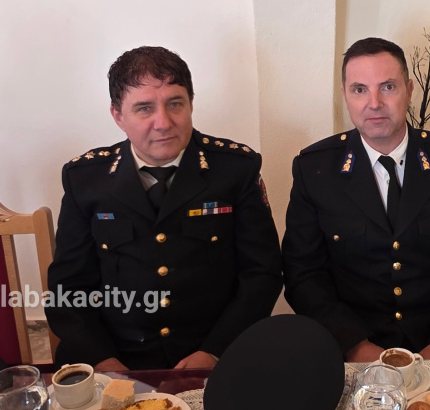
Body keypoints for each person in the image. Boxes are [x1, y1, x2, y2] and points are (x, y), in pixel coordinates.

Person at [46, 46, 282, 371]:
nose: (163, 123)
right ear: (118, 116)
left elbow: (262, 274)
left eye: (175, 104)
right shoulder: (86, 179)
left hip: (216, 355)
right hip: (117, 357)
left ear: (190, 104)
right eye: (144, 108)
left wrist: (214, 352)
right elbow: (68, 288)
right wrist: (101, 360)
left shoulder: (235, 169)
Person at [282, 37, 430, 362]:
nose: (374, 103)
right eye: (359, 89)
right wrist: (355, 346)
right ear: (345, 95)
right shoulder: (315, 169)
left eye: (388, 87)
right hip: (352, 344)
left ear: (409, 90)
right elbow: (303, 273)